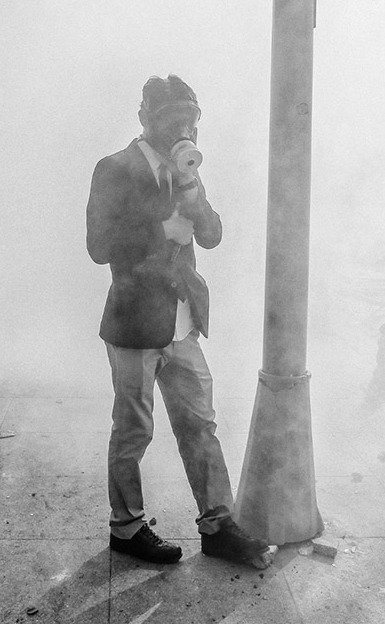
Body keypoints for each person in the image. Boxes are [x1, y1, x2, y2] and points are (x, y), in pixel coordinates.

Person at [85, 74, 268, 565]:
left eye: (191, 120)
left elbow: (211, 235)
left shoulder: (186, 170)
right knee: (133, 430)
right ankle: (125, 528)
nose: (183, 129)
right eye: (172, 120)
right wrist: (157, 229)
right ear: (145, 119)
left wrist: (191, 190)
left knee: (200, 425)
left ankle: (217, 524)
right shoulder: (115, 169)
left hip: (183, 325)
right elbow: (97, 246)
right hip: (134, 326)